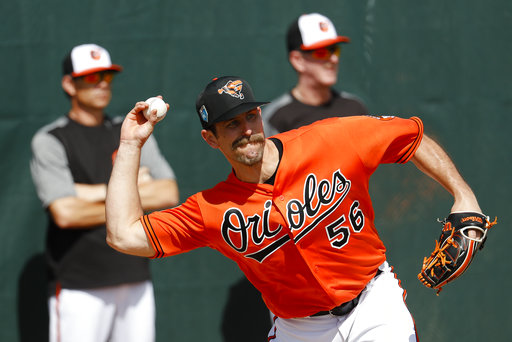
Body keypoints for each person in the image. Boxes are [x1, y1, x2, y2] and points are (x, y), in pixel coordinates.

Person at [105, 76, 485, 341]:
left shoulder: (331, 139)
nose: (247, 129)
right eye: (231, 124)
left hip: (372, 303)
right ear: (210, 138)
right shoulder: (211, 209)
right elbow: (124, 234)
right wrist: (130, 143)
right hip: (299, 329)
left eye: (250, 115)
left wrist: (463, 194)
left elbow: (411, 135)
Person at [30, 43, 179, 342]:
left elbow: (167, 192)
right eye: (91, 77)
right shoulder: (51, 140)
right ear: (69, 84)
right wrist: (129, 192)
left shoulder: (131, 129)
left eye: (108, 77)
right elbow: (66, 213)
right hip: (79, 285)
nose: (101, 84)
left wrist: (85, 193)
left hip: (135, 277)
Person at [262, 12, 367, 137]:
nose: (334, 59)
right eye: (322, 52)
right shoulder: (277, 117)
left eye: (335, 50)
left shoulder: (355, 108)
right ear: (298, 60)